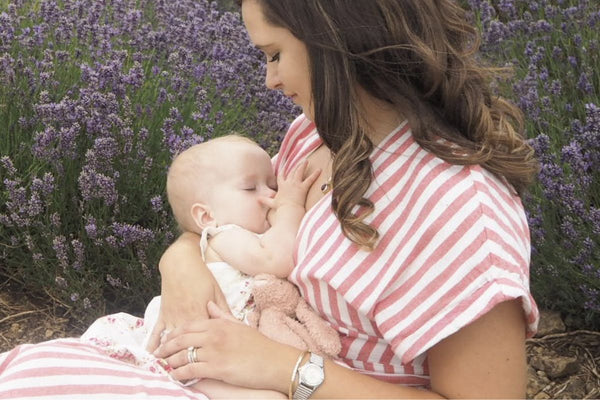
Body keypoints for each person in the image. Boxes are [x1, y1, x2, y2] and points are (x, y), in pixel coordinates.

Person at [0, 0, 539, 398]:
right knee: (23, 373)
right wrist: (181, 265)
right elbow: (228, 228)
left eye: (275, 53)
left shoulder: (460, 209)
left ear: (338, 40)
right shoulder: (317, 136)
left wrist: (287, 366)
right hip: (234, 367)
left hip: (276, 380)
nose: (268, 80)